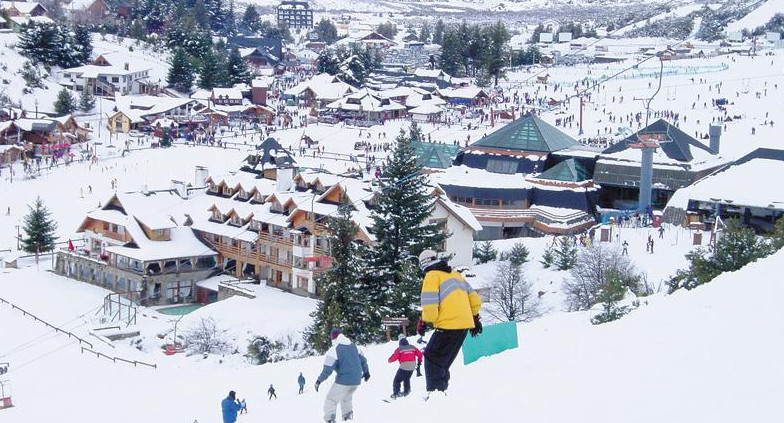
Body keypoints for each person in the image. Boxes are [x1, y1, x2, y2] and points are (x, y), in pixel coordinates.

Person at [417, 250, 482, 395]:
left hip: (448, 326)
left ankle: (435, 395)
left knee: (431, 359)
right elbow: (475, 300)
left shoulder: (431, 276)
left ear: (423, 264)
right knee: (443, 362)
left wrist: (424, 321)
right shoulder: (455, 275)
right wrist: (475, 318)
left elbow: (430, 306)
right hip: (463, 326)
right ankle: (441, 393)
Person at [315, 329, 369, 423]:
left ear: (333, 338)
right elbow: (363, 360)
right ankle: (347, 418)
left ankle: (329, 420)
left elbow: (327, 369)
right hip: (356, 380)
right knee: (346, 397)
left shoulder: (334, 349)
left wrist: (319, 380)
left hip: (344, 380)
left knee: (331, 399)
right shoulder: (355, 346)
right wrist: (366, 372)